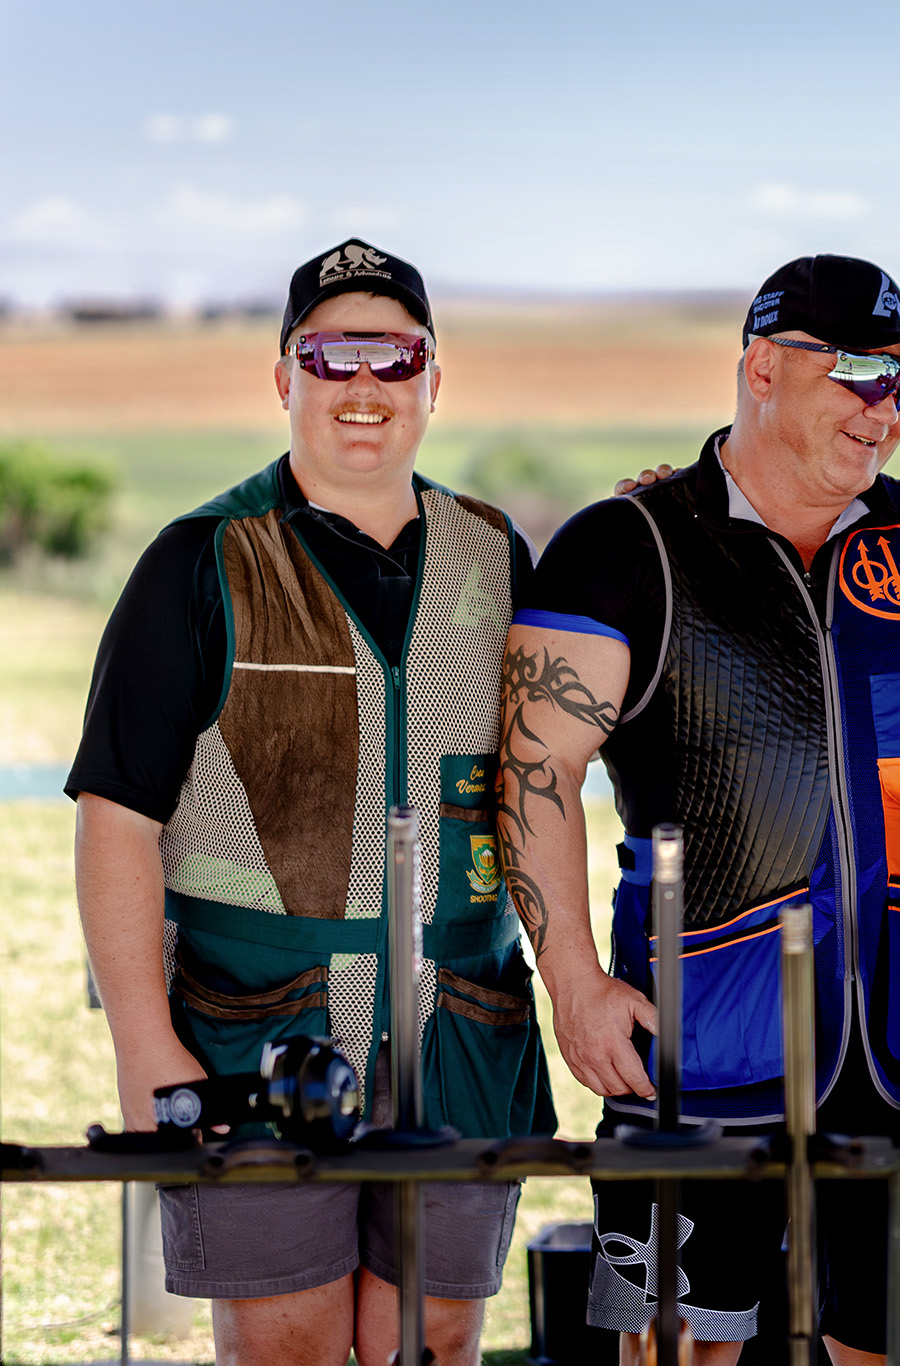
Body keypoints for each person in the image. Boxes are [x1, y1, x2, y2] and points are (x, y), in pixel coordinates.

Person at [499, 254, 900, 1365]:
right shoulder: (628, 547)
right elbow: (534, 766)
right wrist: (571, 977)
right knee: (684, 1355)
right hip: (696, 1048)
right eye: (859, 373)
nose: (887, 408)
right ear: (761, 366)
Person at [69, 239, 555, 1366]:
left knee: (432, 1341)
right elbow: (114, 822)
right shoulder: (196, 562)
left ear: (435, 380)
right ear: (283, 377)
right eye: (331, 356)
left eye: (394, 357)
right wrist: (145, 1051)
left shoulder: (499, 556)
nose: (363, 386)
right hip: (255, 1031)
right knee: (283, 1345)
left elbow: (558, 770)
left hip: (459, 1029)